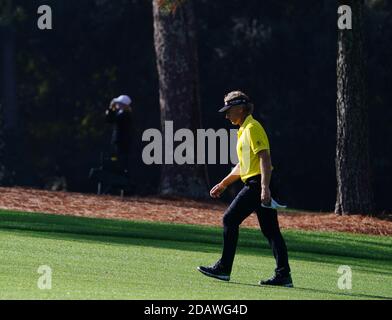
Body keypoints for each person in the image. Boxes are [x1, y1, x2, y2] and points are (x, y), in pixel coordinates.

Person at [197, 90, 293, 287]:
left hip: (258, 183)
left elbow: (265, 158)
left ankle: (224, 268)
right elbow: (243, 165)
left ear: (240, 108)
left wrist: (264, 188)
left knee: (229, 219)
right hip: (257, 182)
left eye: (229, 110)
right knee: (270, 230)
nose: (226, 115)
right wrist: (224, 184)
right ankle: (284, 275)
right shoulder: (243, 130)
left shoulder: (252, 127)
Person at [105, 95, 133, 175]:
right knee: (116, 158)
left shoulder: (125, 114)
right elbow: (109, 120)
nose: (117, 104)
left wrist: (111, 109)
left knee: (121, 159)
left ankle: (122, 174)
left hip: (121, 141)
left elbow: (112, 119)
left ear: (123, 104)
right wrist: (111, 109)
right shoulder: (121, 113)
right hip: (119, 141)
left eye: (118, 103)